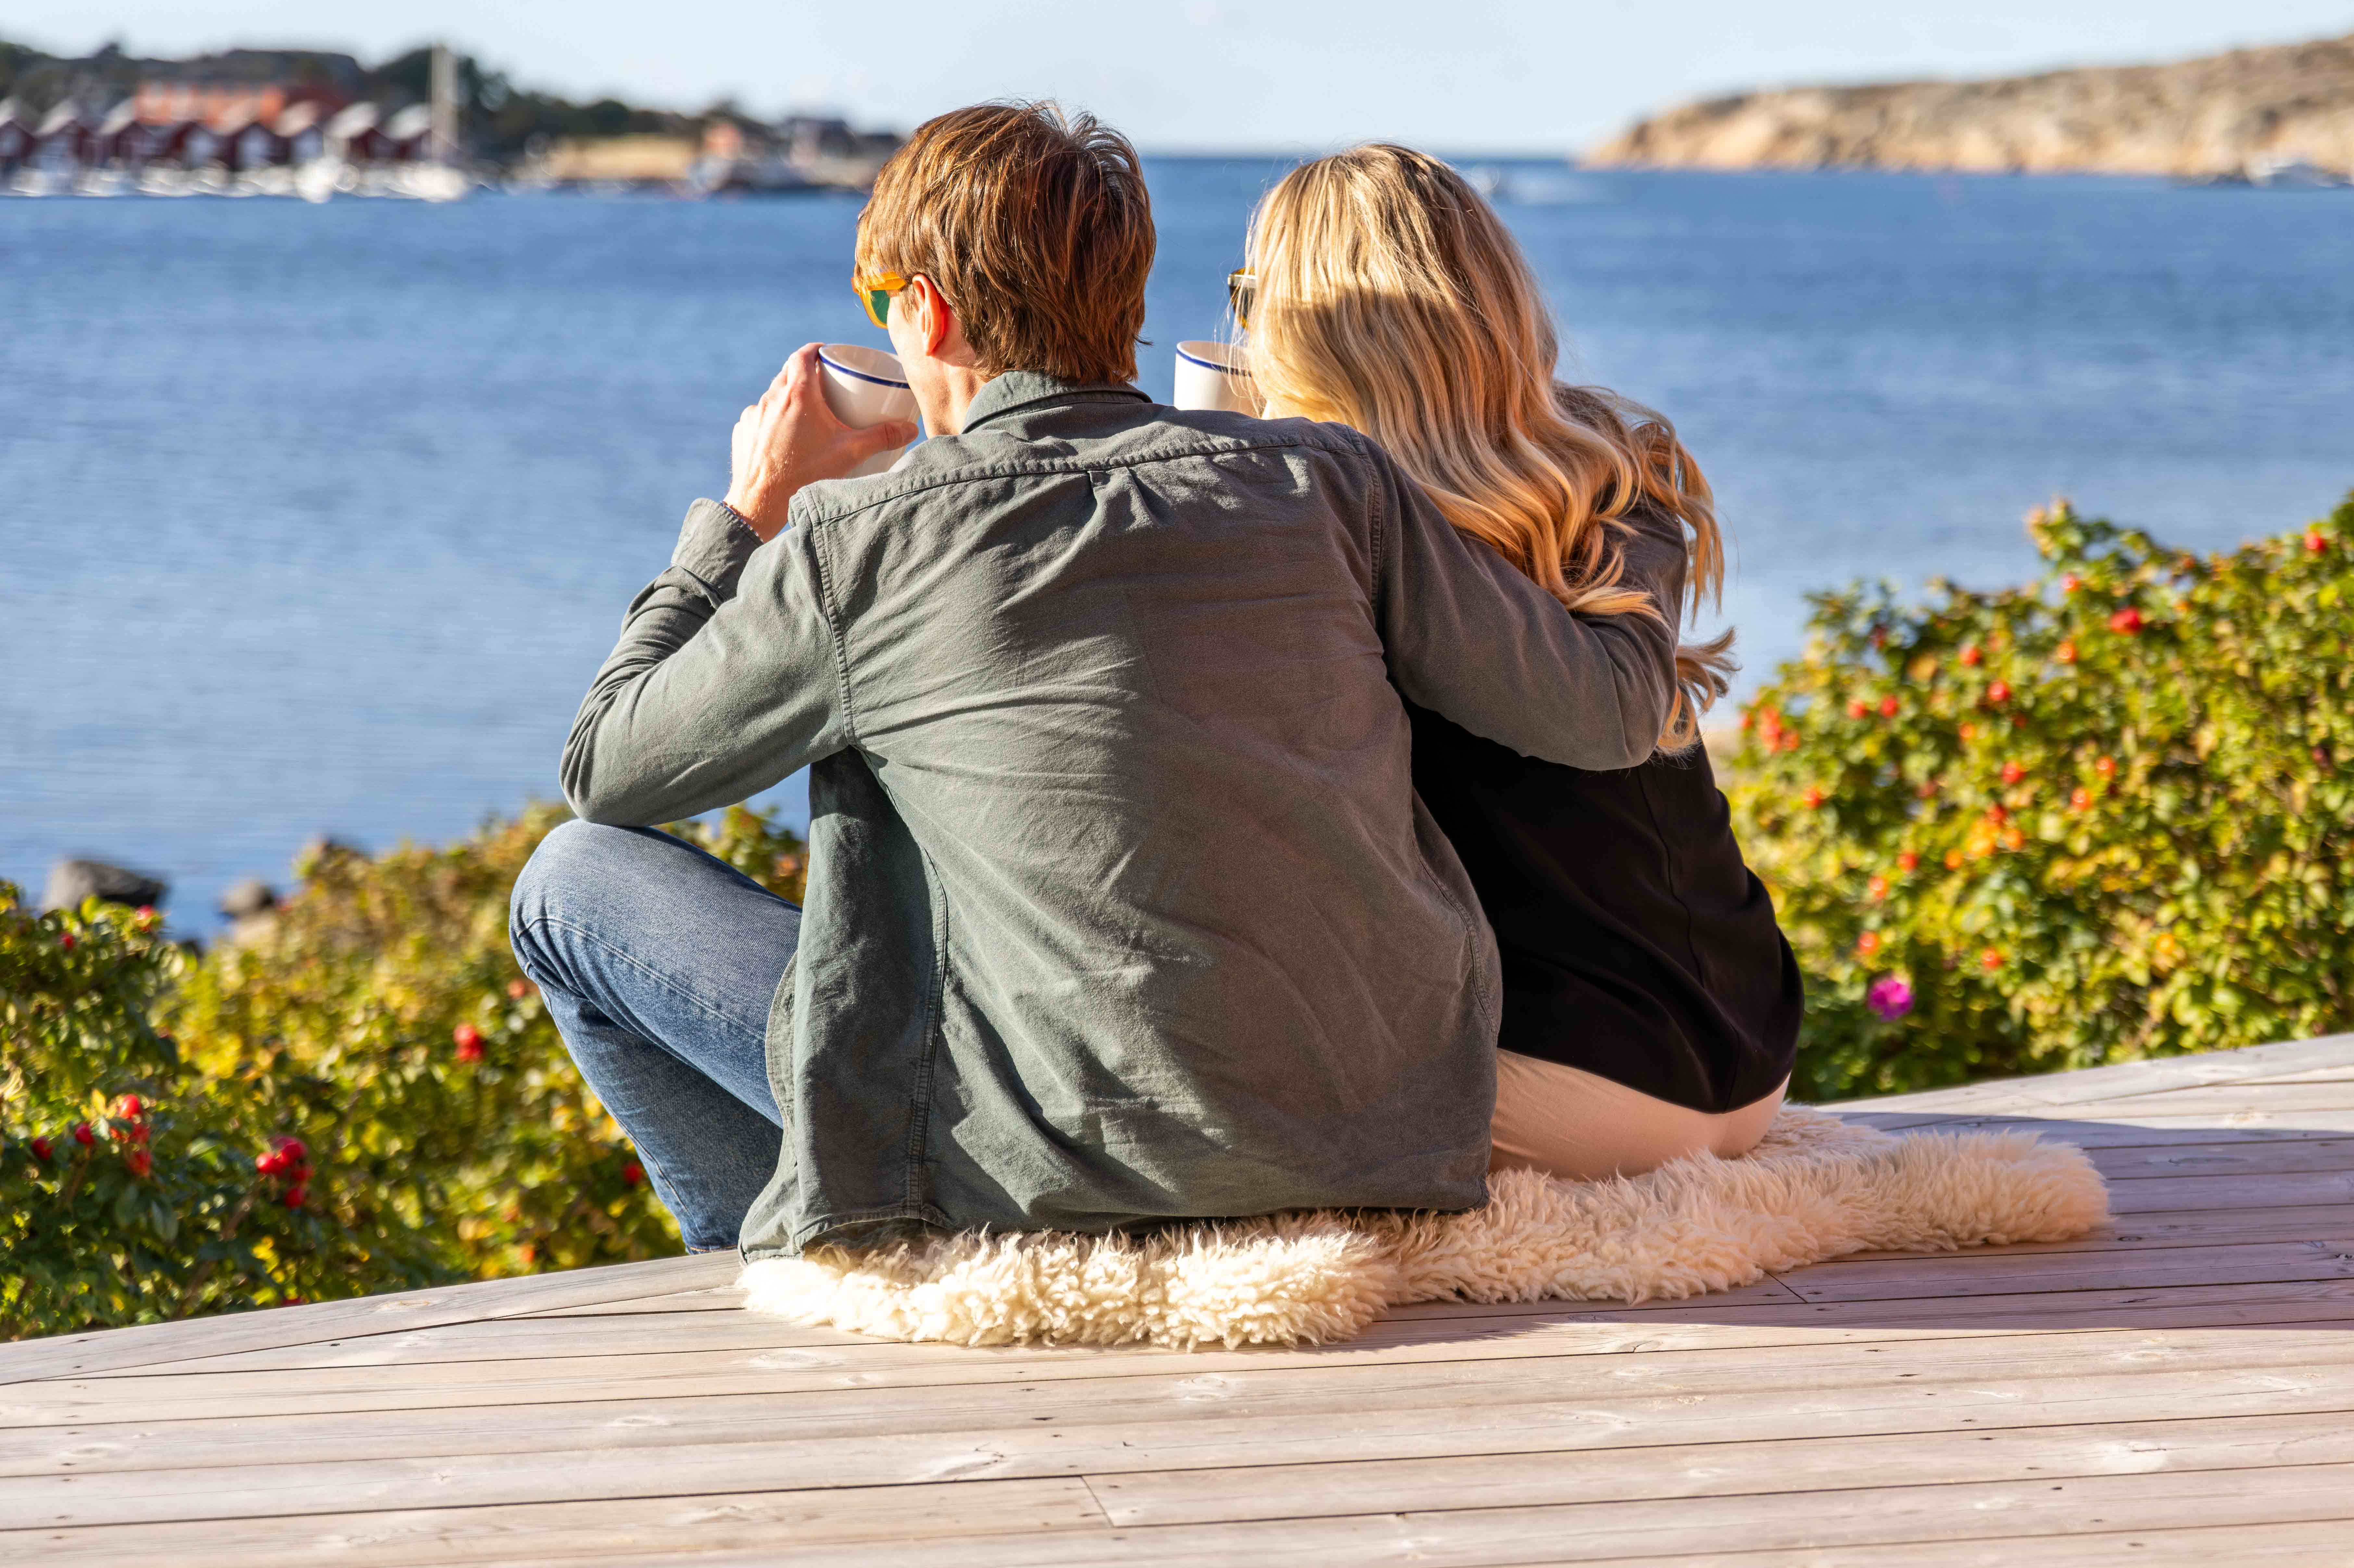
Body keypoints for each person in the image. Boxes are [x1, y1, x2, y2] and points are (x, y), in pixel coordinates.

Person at [507, 103, 1682, 1258]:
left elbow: (605, 769)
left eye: (882, 304)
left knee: (570, 882)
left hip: (1052, 1157)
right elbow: (1593, 713)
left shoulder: (854, 540)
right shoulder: (1333, 483)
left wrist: (746, 515)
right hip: (1386, 1137)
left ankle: (785, 1262)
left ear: (928, 311)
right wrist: (1620, 484)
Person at [1233, 143, 1804, 1180]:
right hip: (1750, 1046)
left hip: (1569, 1075)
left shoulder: (1335, 522)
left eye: (1251, 296)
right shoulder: (1609, 467)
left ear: (1306, 332)